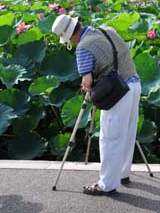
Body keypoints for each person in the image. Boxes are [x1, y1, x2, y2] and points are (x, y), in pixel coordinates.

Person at [52, 14, 141, 196]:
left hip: (116, 93)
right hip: (134, 84)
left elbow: (87, 82)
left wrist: (87, 88)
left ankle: (106, 184)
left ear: (70, 36)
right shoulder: (107, 30)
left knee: (110, 139)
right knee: (127, 133)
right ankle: (123, 174)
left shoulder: (83, 48)